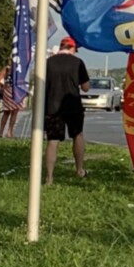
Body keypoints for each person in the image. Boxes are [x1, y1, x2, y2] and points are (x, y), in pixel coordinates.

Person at [44, 36, 90, 184]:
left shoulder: (48, 62)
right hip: (72, 105)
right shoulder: (78, 63)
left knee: (52, 141)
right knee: (77, 135)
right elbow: (85, 87)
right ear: (72, 48)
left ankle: (49, 177)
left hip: (52, 105)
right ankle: (79, 170)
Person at [0, 62, 24, 138]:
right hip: (16, 92)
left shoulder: (6, 69)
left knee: (6, 112)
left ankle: (1, 133)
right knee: (14, 112)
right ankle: (9, 133)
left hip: (7, 91)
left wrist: (1, 89)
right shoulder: (19, 69)